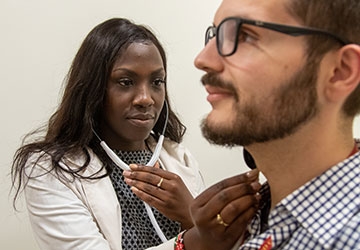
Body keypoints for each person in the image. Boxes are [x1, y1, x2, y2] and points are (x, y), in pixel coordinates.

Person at [167, 0, 360, 249]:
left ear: (339, 71)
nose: (203, 59)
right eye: (215, 35)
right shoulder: (247, 223)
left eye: (245, 35)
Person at [11, 18, 205, 250]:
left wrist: (190, 215)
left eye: (157, 81)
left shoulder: (180, 159)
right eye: (125, 82)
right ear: (93, 89)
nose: (145, 98)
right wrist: (198, 232)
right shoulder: (51, 169)